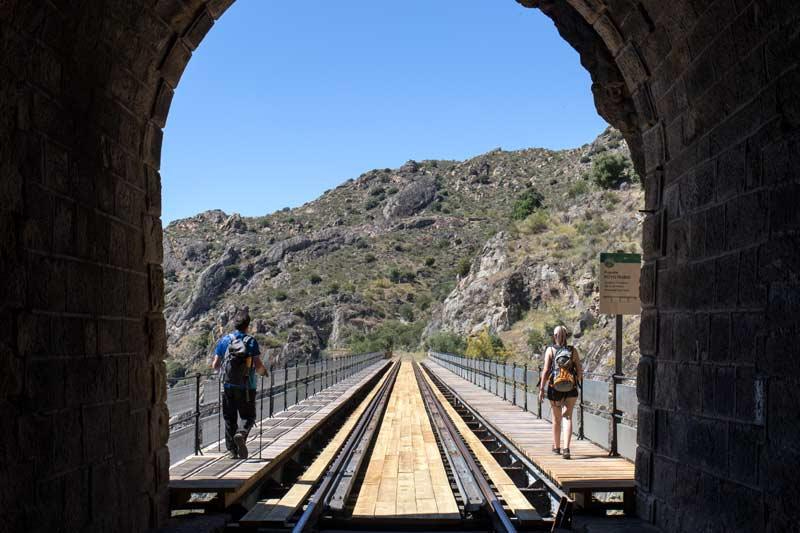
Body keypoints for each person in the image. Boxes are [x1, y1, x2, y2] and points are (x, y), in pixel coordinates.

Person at [211, 309, 268, 459]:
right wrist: (264, 373)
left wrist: (225, 373)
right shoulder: (250, 341)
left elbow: (215, 364)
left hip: (228, 386)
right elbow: (258, 365)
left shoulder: (225, 340)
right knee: (248, 416)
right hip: (247, 387)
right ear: (247, 326)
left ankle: (232, 451)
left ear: (234, 324)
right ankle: (241, 434)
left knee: (229, 418)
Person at [537, 325, 582, 459]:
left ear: (554, 336)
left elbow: (545, 371)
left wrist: (541, 389)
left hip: (554, 388)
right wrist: (576, 383)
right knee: (567, 417)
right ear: (566, 336)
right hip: (571, 388)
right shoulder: (573, 351)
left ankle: (556, 447)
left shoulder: (550, 350)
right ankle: (566, 448)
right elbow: (579, 370)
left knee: (556, 418)